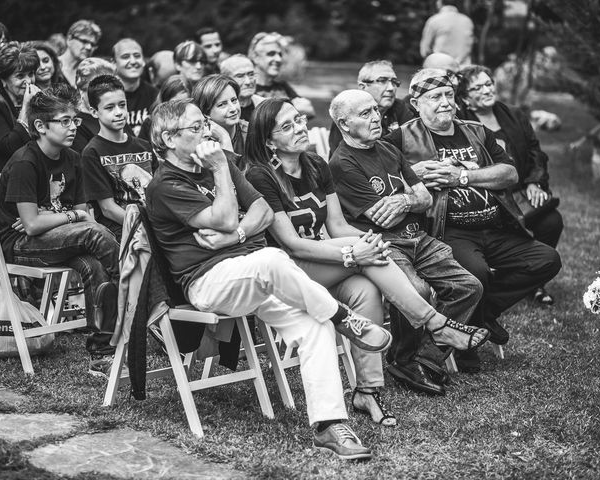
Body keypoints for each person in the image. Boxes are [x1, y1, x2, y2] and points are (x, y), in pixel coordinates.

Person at [146, 96, 392, 460]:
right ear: (168, 139)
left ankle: (329, 425)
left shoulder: (226, 164)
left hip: (257, 274)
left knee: (314, 324)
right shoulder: (166, 184)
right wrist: (219, 173)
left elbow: (261, 211)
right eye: (196, 127)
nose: (207, 132)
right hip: (209, 282)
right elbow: (227, 217)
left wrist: (235, 235)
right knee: (273, 258)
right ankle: (344, 317)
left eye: (205, 125)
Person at [245, 98, 488, 422]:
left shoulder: (317, 164)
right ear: (269, 141)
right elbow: (293, 244)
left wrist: (363, 245)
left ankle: (367, 392)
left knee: (367, 289)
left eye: (299, 120)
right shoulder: (262, 176)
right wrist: (352, 253)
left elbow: (337, 226)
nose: (300, 128)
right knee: (367, 254)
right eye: (287, 127)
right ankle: (435, 323)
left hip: (328, 261)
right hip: (291, 271)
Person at [383, 68, 562, 371]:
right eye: (435, 96)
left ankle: (482, 315)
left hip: (494, 225)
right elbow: (380, 181)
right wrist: (417, 175)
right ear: (416, 103)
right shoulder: (400, 137)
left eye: (449, 95)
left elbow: (509, 174)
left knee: (547, 260)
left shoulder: (476, 130)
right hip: (448, 231)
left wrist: (462, 176)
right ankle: (462, 341)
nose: (445, 103)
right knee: (476, 271)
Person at [329, 89, 484, 391]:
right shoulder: (342, 163)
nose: (376, 117)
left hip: (420, 239)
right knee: (417, 290)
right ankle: (403, 359)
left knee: (469, 286)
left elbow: (425, 198)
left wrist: (403, 201)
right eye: (365, 114)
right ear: (344, 125)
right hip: (385, 243)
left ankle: (426, 359)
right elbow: (382, 217)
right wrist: (408, 199)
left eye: (376, 110)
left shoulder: (388, 149)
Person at [0, 84, 120, 377]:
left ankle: (102, 353)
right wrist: (70, 215)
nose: (73, 127)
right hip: (21, 244)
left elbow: (85, 215)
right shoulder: (26, 162)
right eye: (64, 121)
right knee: (93, 234)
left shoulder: (73, 159)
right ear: (40, 126)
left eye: (75, 120)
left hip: (58, 239)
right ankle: (140, 291)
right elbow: (32, 225)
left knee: (93, 265)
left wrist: (58, 215)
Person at [456, 64, 563, 305]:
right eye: (477, 87)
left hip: (522, 193)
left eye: (488, 84)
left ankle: (535, 281)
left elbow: (535, 151)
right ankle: (506, 277)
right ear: (464, 97)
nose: (486, 90)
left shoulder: (513, 114)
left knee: (551, 221)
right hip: (490, 198)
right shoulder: (461, 123)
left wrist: (535, 182)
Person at [82, 75, 155, 239]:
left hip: (155, 221)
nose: (119, 112)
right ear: (95, 112)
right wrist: (147, 227)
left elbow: (159, 190)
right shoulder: (92, 152)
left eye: (122, 105)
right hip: (121, 230)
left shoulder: (143, 146)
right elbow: (108, 209)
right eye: (109, 108)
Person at [328, 60, 415, 157]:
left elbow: (414, 144)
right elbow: (346, 161)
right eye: (382, 81)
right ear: (362, 87)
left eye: (394, 82)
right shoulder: (348, 115)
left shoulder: (399, 107)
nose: (391, 88)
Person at [0, 41, 40, 173]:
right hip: (5, 179)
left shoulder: (38, 100)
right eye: (20, 76)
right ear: (3, 79)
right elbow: (10, 147)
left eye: (31, 74)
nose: (28, 81)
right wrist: (26, 108)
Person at [71, 57, 133, 153]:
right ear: (80, 90)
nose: (107, 92)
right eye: (98, 87)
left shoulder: (117, 114)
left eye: (112, 85)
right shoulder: (76, 123)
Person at [247, 32, 315, 118]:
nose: (278, 59)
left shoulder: (282, 86)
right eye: (271, 54)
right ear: (256, 57)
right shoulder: (248, 88)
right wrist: (291, 107)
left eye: (280, 54)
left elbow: (309, 110)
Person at [192, 74, 248, 161]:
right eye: (222, 104)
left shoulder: (251, 132)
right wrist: (224, 138)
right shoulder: (200, 141)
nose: (233, 109)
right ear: (206, 113)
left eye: (234, 100)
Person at [112, 38, 158, 136]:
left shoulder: (155, 95)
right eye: (125, 57)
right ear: (114, 63)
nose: (133, 61)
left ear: (143, 61)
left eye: (137, 56)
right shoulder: (107, 96)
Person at [420, 0, 474, 66]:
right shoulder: (467, 21)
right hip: (463, 67)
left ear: (439, 3)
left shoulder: (434, 20)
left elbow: (425, 50)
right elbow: (468, 46)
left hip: (441, 67)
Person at [137, 74, 189, 142]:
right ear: (164, 102)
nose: (179, 109)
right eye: (174, 104)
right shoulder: (150, 123)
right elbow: (143, 149)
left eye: (184, 104)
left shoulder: (195, 123)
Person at [219, 54, 264, 122]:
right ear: (226, 80)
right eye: (240, 76)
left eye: (251, 74)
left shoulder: (264, 104)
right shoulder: (220, 111)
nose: (248, 82)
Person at [59, 19, 101, 87]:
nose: (89, 47)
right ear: (69, 39)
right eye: (84, 41)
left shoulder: (89, 75)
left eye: (92, 44)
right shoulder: (51, 66)